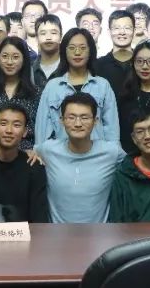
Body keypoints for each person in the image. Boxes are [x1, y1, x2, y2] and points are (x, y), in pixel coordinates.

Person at [37, 92, 125, 223]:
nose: (78, 123)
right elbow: (25, 155)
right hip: (57, 233)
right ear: (61, 120)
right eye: (71, 117)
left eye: (84, 117)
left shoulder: (112, 152)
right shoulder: (48, 149)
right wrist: (31, 153)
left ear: (96, 121)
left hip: (100, 234)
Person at [35, 28, 119, 145]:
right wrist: (41, 151)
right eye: (72, 48)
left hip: (97, 153)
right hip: (61, 154)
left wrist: (113, 152)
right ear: (64, 51)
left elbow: (111, 129)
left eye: (83, 48)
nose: (77, 52)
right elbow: (42, 129)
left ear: (90, 51)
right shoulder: (52, 87)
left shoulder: (102, 85)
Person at [94, 10, 134, 96]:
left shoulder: (143, 63)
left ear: (134, 30)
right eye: (116, 28)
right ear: (109, 32)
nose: (122, 32)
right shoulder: (98, 65)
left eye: (127, 28)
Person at [32, 14, 62, 88]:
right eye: (43, 33)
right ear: (36, 38)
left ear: (61, 36)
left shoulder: (70, 67)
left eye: (53, 33)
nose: (48, 37)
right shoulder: (29, 69)